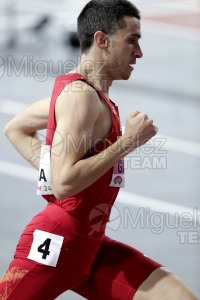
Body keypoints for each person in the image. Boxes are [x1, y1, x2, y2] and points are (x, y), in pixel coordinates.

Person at [0, 0, 197, 299]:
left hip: (90, 248)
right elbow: (65, 184)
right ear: (102, 40)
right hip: (56, 245)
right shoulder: (79, 95)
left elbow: (16, 128)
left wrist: (53, 164)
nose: (139, 53)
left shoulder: (85, 94)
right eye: (132, 41)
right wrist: (127, 142)